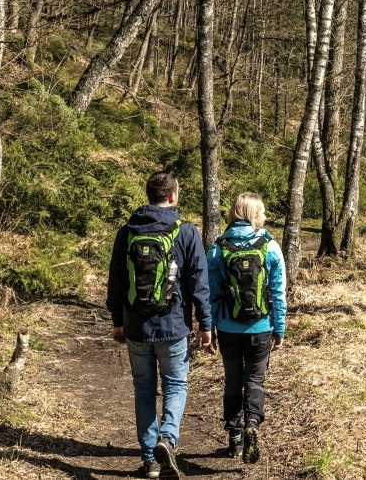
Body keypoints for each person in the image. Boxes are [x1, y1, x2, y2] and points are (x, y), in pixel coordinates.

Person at [108, 170, 213, 478]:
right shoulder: (186, 231)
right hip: (174, 327)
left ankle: (149, 459)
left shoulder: (127, 231)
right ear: (173, 196)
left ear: (149, 195)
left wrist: (117, 320)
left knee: (143, 388)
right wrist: (205, 324)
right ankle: (168, 437)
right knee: (176, 385)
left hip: (137, 327)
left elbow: (116, 279)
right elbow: (199, 283)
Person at [207, 192, 287, 464]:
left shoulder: (219, 247)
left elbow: (212, 294)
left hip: (229, 328)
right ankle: (253, 422)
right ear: (256, 214)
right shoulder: (270, 246)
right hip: (261, 328)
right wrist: (279, 328)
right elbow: (278, 292)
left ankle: (234, 439)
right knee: (254, 381)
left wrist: (210, 327)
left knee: (232, 381)